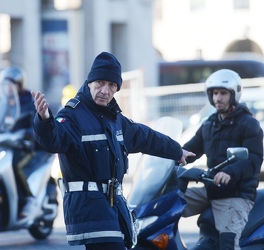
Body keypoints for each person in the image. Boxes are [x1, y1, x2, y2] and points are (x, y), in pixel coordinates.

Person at [31, 51, 195, 250]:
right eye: (100, 83)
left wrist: (177, 151)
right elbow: (53, 140)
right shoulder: (72, 115)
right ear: (90, 82)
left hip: (112, 205)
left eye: (111, 86)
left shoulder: (114, 118)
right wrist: (45, 120)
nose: (105, 91)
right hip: (89, 207)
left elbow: (145, 137)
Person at [182, 69, 264, 249]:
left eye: (223, 93)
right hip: (211, 188)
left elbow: (254, 160)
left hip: (236, 193)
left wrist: (229, 172)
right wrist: (170, 156)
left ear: (234, 94)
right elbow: (190, 150)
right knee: (167, 203)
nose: (218, 98)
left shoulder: (248, 124)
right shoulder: (210, 123)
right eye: (215, 93)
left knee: (228, 244)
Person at [0, 66, 41, 218]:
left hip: (25, 146)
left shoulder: (30, 100)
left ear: (19, 85)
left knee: (15, 166)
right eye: (5, 85)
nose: (8, 88)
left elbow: (37, 121)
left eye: (11, 85)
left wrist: (29, 132)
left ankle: (30, 199)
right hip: (5, 145)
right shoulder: (1, 102)